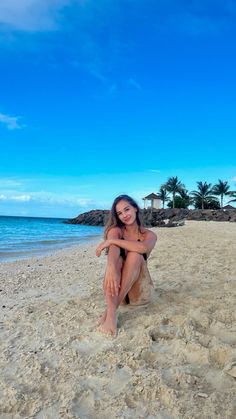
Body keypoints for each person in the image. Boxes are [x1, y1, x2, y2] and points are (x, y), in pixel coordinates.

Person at [96, 194, 157, 336]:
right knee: (115, 260)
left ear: (135, 208)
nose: (124, 215)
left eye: (127, 209)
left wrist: (112, 241)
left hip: (139, 293)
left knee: (135, 255)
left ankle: (110, 312)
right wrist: (110, 267)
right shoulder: (115, 231)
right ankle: (112, 313)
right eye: (120, 213)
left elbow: (142, 248)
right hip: (120, 294)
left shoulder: (149, 235)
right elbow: (114, 251)